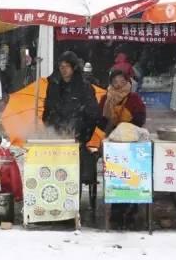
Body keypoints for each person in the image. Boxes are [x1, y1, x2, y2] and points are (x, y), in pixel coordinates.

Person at [42, 51, 101, 184]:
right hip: (56, 135)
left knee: (74, 172)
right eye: (61, 66)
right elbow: (48, 109)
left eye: (66, 66)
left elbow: (93, 113)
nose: (63, 70)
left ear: (74, 67)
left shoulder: (84, 86)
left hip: (78, 135)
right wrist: (50, 127)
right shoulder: (53, 85)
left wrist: (80, 131)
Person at [99, 69, 147, 229]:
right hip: (113, 144)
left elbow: (141, 119)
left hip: (131, 145)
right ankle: (116, 210)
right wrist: (111, 122)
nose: (117, 83)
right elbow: (100, 121)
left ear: (127, 82)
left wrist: (126, 124)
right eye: (114, 80)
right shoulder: (106, 98)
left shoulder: (134, 99)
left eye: (121, 80)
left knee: (131, 176)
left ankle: (131, 208)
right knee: (116, 176)